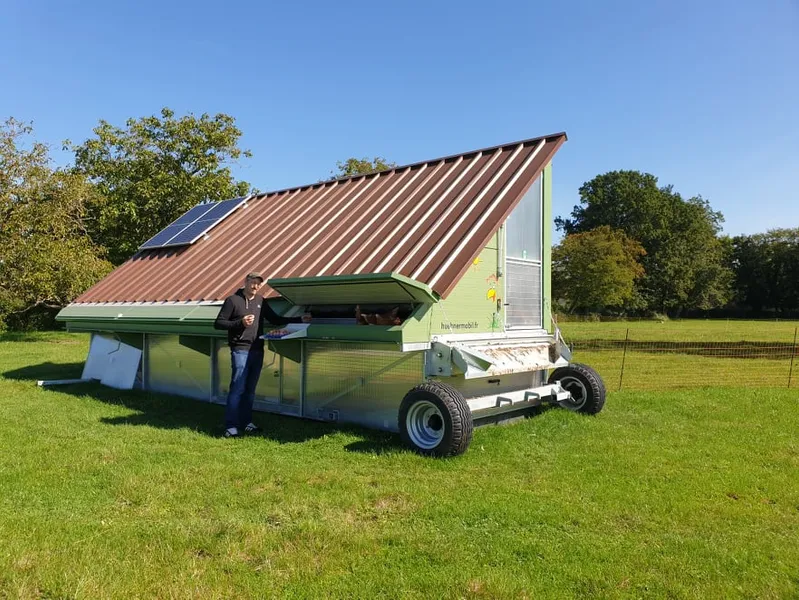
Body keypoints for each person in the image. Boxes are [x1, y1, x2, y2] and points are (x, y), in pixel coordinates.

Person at [214, 272, 310, 438]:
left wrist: (300, 319)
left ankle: (246, 423)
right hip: (240, 350)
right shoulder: (232, 301)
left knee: (250, 390)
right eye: (253, 282)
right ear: (246, 281)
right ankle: (231, 427)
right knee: (237, 388)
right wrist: (240, 322)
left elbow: (275, 319)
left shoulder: (260, 301)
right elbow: (219, 323)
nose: (255, 286)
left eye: (258, 284)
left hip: (257, 350)